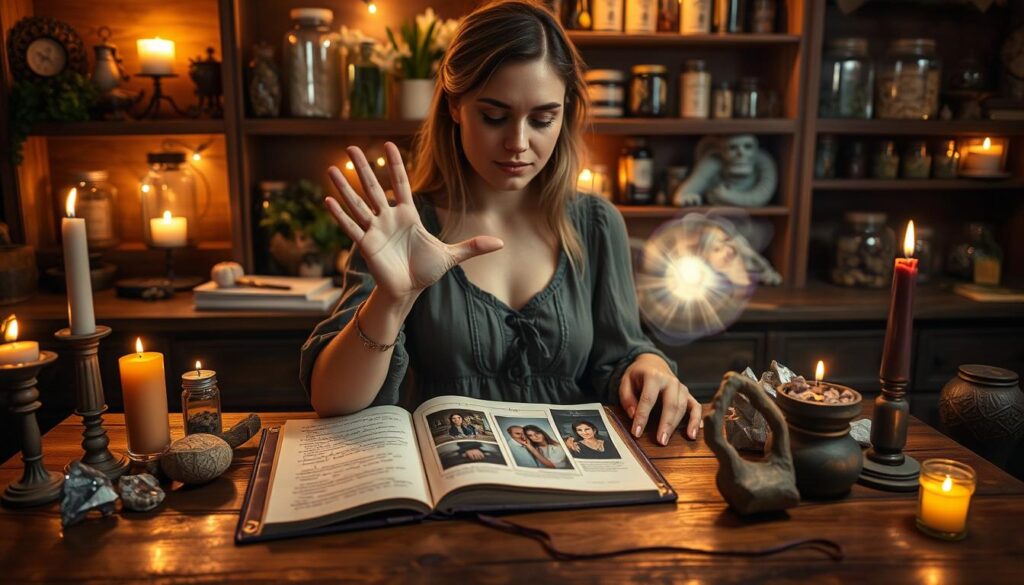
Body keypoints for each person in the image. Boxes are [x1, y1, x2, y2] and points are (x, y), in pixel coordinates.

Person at [301, 0, 701, 446]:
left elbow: (621, 352)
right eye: (494, 117)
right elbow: (331, 401)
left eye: (543, 119)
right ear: (455, 106)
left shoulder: (596, 224)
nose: (518, 143)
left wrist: (651, 366)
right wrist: (392, 300)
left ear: (565, 111)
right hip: (445, 493)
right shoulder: (403, 228)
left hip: (573, 490)